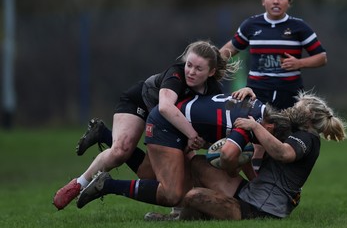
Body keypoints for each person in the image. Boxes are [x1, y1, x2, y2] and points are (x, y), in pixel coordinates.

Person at [53, 40, 239, 210]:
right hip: (138, 103)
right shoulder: (176, 74)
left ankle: (103, 134)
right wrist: (191, 136)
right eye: (189, 65)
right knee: (120, 150)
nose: (190, 71)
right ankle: (79, 183)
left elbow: (207, 126)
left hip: (166, 123)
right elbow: (166, 107)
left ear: (211, 72)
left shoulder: (213, 91)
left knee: (152, 175)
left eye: (198, 69)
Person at [74, 90, 286, 211]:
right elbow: (229, 155)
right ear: (270, 128)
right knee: (173, 193)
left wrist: (255, 183)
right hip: (167, 124)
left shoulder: (256, 105)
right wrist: (232, 170)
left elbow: (242, 153)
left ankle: (103, 134)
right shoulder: (251, 124)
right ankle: (108, 185)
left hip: (181, 124)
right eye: (269, 140)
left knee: (147, 174)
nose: (264, 144)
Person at [177, 90, 347, 220]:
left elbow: (284, 154)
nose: (294, 107)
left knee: (194, 196)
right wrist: (248, 92)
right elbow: (265, 121)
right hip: (251, 193)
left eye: (299, 106)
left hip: (263, 208)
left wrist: (254, 127)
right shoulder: (291, 129)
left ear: (309, 114)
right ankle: (184, 216)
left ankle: (192, 216)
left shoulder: (308, 138)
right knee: (198, 163)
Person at [219, 0, 328, 171]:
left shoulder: (298, 27)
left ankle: (290, 184)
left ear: (289, 2)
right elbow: (229, 50)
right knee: (258, 138)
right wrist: (211, 63)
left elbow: (321, 57)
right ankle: (258, 182)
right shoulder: (251, 25)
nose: (276, 1)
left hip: (290, 93)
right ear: (263, 1)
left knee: (289, 139)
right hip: (258, 92)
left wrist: (299, 62)